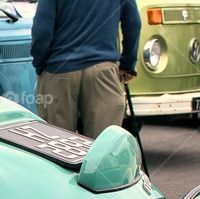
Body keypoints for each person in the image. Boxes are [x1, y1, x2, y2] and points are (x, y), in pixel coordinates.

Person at [31, 0, 142, 139]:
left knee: (57, 145)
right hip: (103, 71)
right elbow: (133, 24)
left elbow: (42, 30)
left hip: (59, 70)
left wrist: (40, 65)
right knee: (102, 146)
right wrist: (127, 65)